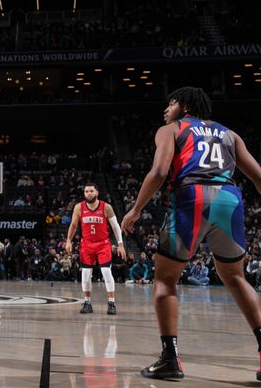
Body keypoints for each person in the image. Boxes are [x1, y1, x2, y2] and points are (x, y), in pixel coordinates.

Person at [122, 87, 261, 381]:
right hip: (229, 198)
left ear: (184, 106)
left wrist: (135, 211)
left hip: (192, 196)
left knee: (165, 278)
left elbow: (159, 172)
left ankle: (170, 360)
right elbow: (258, 177)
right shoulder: (229, 134)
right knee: (236, 278)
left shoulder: (171, 129)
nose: (165, 109)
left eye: (170, 103)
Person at [65, 183, 125, 315]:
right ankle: (87, 303)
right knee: (85, 275)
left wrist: (120, 244)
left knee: (106, 272)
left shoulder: (106, 207)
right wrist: (68, 240)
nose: (89, 193)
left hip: (103, 244)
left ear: (97, 192)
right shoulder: (79, 207)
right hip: (86, 245)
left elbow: (115, 227)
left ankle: (111, 303)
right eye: (86, 191)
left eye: (91, 191)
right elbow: (74, 225)